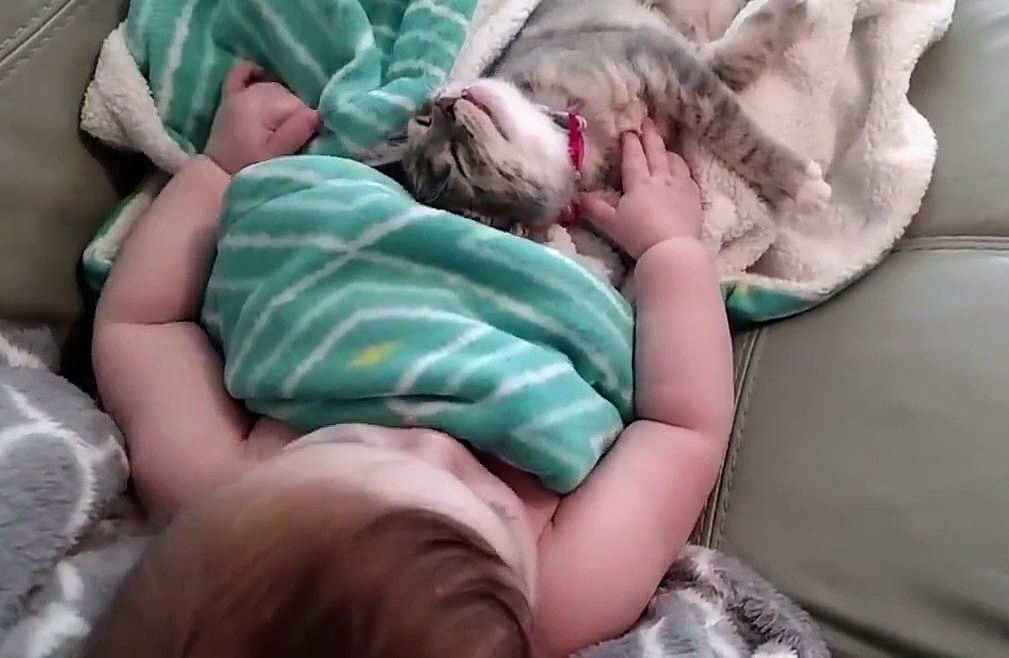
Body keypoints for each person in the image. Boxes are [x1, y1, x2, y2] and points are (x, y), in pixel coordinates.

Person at [84, 62, 735, 657]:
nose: (438, 447)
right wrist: (671, 249)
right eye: (494, 504)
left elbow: (141, 325)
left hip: (339, 241)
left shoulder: (206, 487)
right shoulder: (562, 600)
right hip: (543, 277)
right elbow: (681, 430)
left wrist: (220, 170)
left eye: (363, 445)